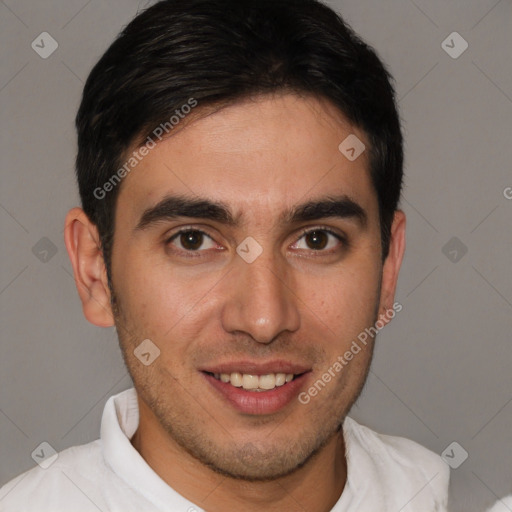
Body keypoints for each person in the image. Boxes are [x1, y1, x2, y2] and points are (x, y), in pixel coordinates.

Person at [0, 0, 450, 510]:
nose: (263, 319)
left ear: (387, 270)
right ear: (95, 271)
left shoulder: (435, 496)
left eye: (317, 239)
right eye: (192, 240)